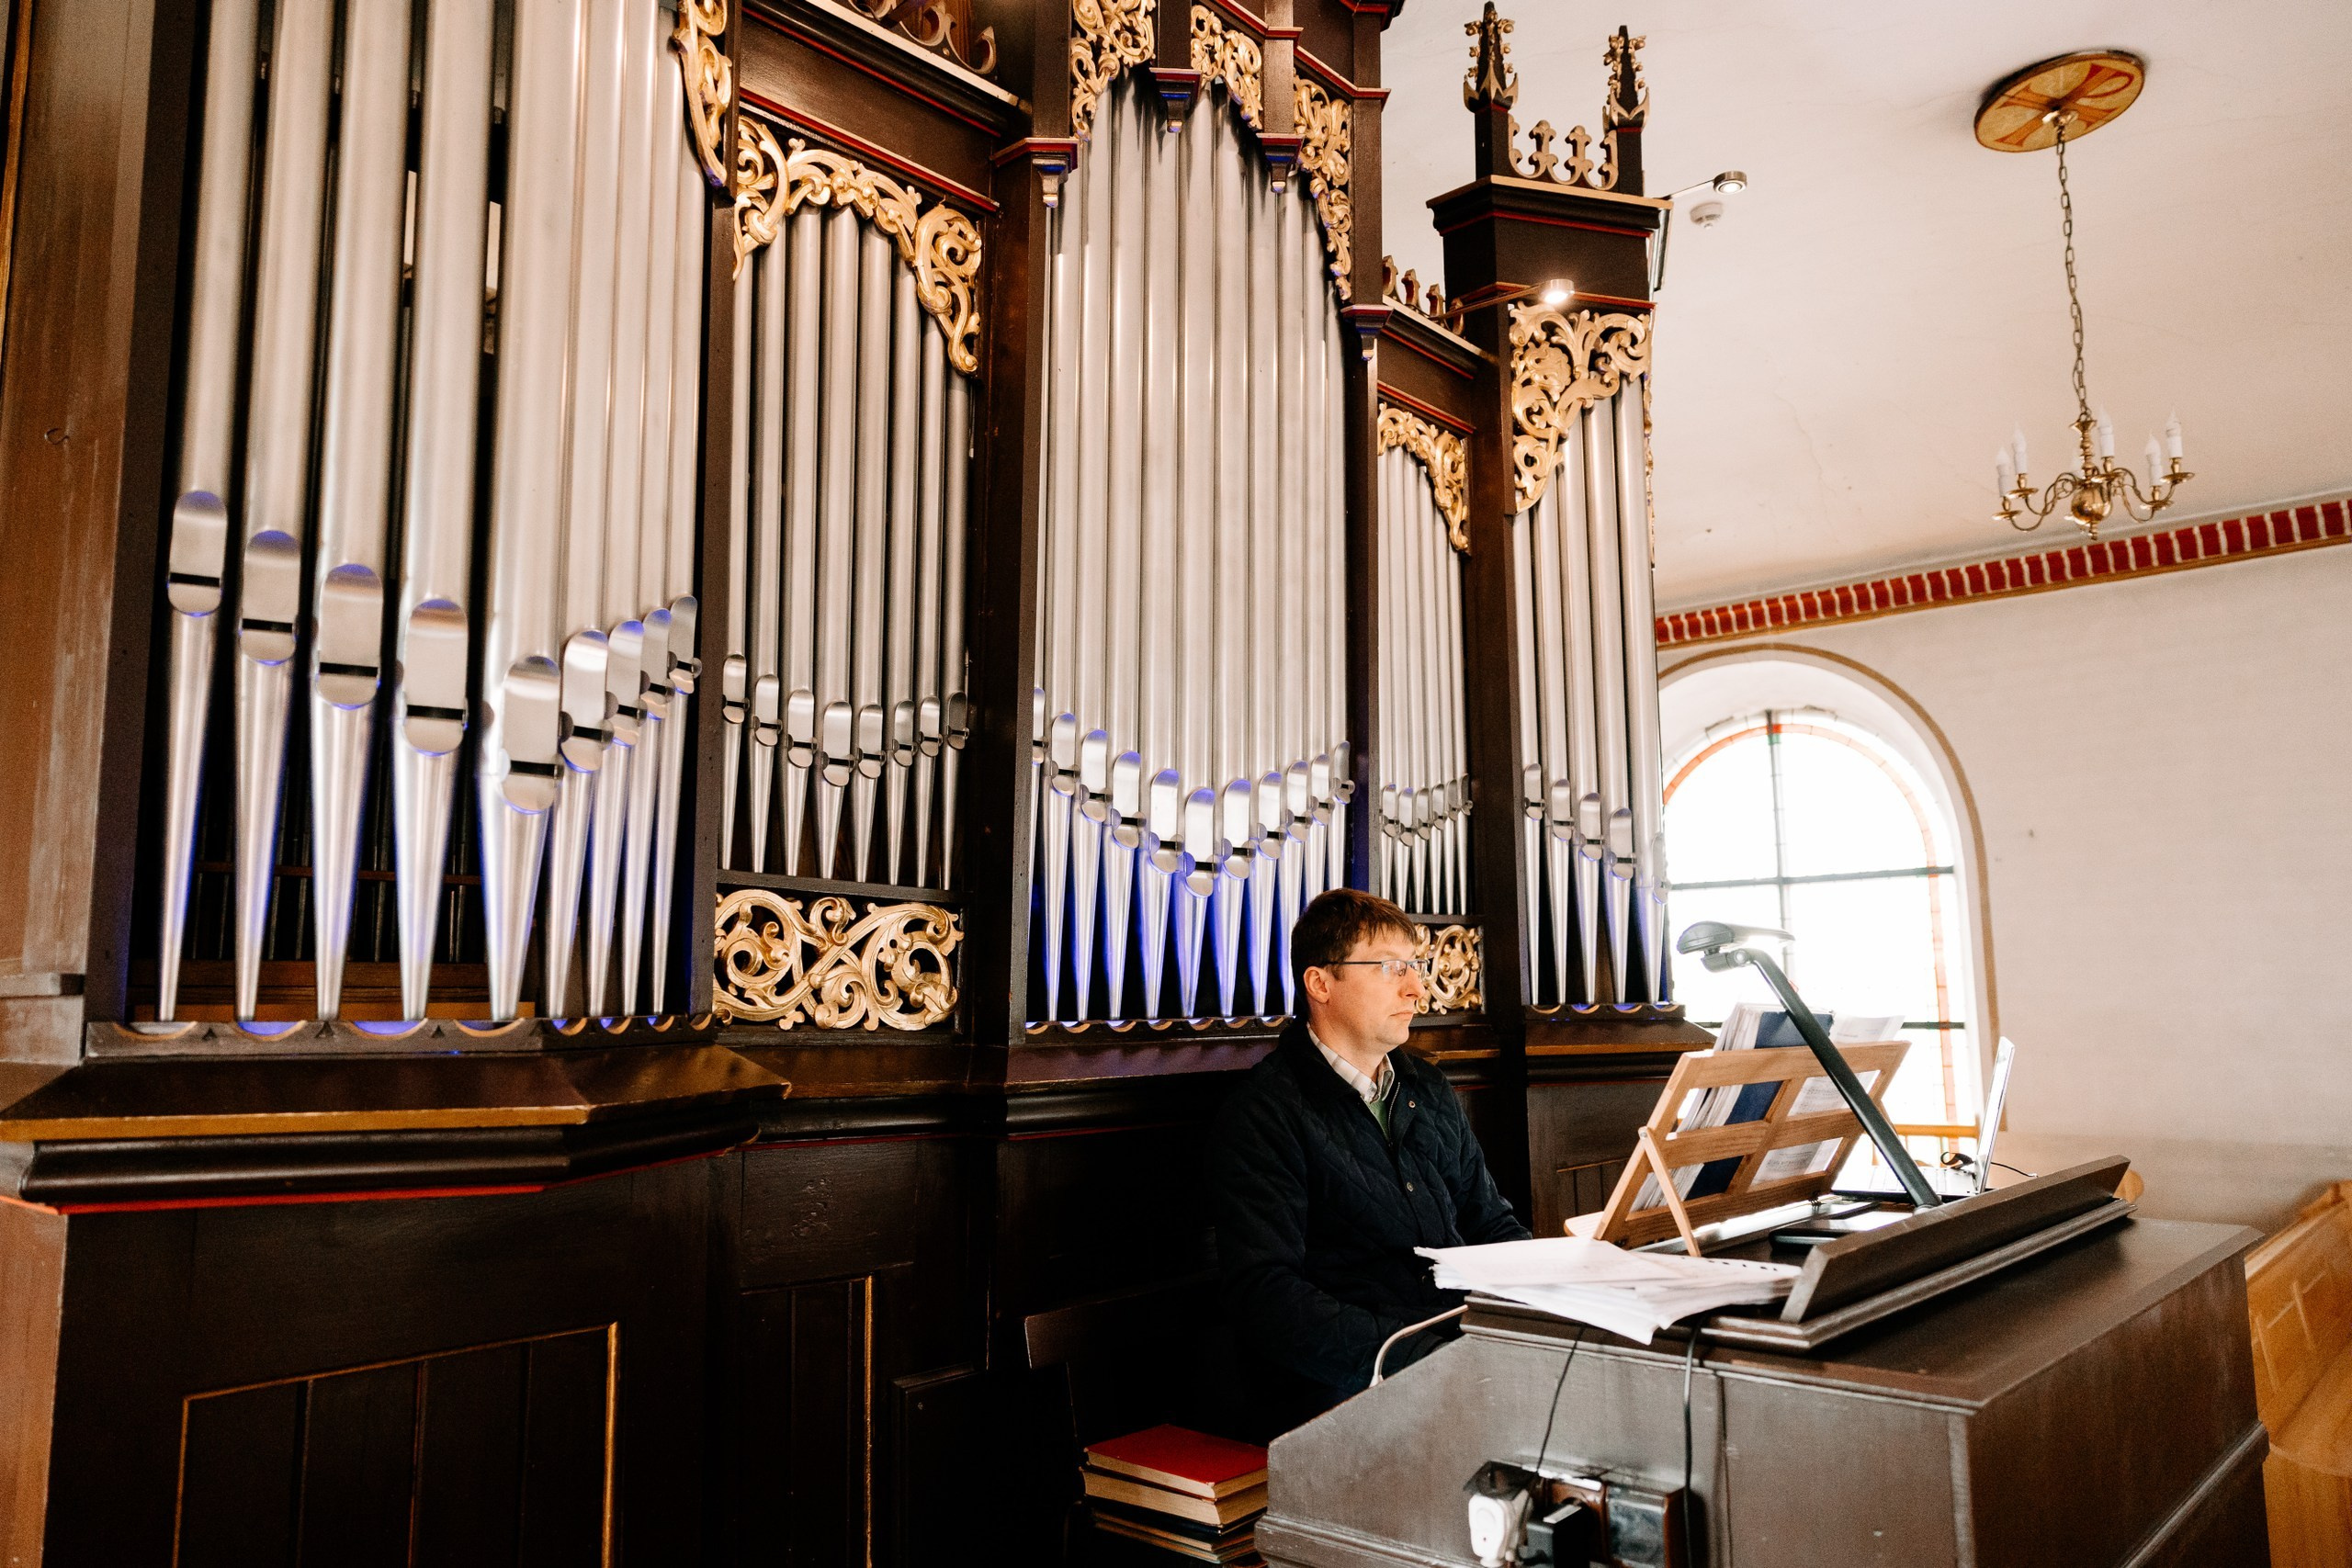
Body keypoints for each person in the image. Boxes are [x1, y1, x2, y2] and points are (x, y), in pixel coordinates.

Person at [1206, 887, 1530, 1434]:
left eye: (1415, 966)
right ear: (1321, 983)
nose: (1415, 987)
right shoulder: (1265, 1112)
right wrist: (1412, 1358)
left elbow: (1489, 1223)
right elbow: (1267, 1295)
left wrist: (1553, 1296)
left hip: (1457, 1355)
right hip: (1343, 1391)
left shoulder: (1425, 1086)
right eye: (1389, 967)